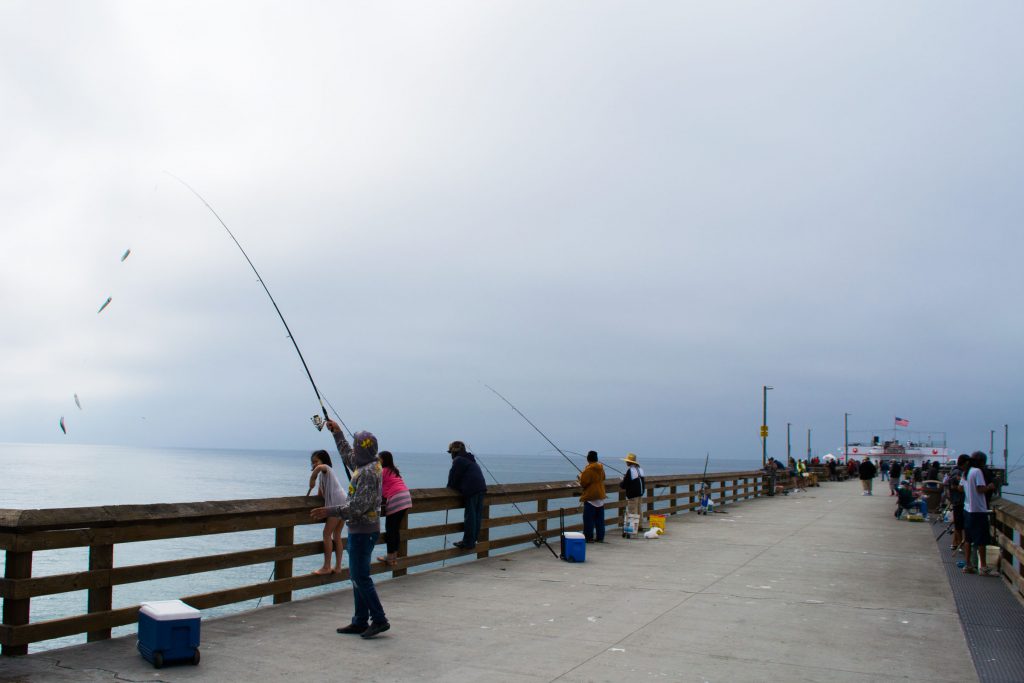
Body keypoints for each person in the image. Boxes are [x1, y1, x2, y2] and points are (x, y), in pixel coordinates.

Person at [310, 421, 390, 639]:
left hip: (364, 530)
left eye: (356, 445)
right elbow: (348, 457)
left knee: (360, 576)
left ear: (362, 449)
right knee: (356, 576)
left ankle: (379, 619)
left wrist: (330, 511)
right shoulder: (367, 463)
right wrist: (337, 433)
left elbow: (357, 507)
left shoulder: (368, 473)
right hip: (361, 529)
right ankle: (360, 621)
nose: (353, 449)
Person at [307, 449, 348, 575]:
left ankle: (326, 566)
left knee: (326, 534)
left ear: (323, 461)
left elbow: (321, 467)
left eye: (316, 461)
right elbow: (321, 495)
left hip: (337, 503)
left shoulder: (327, 469)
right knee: (336, 535)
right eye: (312, 462)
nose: (314, 464)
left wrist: (312, 478)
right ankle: (338, 567)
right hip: (344, 502)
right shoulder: (324, 477)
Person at [962, 451, 998, 576]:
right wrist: (990, 486)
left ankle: (968, 565)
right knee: (981, 540)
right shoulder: (977, 472)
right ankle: (983, 567)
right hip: (978, 510)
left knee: (968, 539)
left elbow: (962, 488)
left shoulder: (966, 472)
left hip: (967, 509)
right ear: (982, 461)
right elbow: (980, 489)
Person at [447, 440, 486, 550]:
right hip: (481, 488)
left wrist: (448, 489)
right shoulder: (470, 459)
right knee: (477, 516)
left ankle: (468, 542)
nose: (451, 456)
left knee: (470, 516)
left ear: (454, 452)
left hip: (472, 489)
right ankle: (472, 540)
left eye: (450, 453)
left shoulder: (458, 460)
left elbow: (453, 479)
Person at [377, 451, 412, 568]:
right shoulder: (393, 470)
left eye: (379, 459)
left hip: (396, 499)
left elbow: (376, 486)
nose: (377, 461)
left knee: (390, 529)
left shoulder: (383, 471)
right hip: (405, 497)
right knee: (395, 529)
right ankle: (394, 557)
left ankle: (390, 557)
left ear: (384, 460)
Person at [578, 450, 606, 543]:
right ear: (596, 459)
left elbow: (583, 483)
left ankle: (588, 537)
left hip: (591, 497)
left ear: (588, 459)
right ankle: (600, 537)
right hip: (600, 496)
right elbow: (603, 478)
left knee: (588, 519)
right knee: (600, 520)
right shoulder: (601, 468)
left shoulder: (588, 469)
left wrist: (580, 476)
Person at [944, 454, 970, 555]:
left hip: (957, 501)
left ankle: (956, 543)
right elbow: (955, 486)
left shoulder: (955, 471)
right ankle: (960, 545)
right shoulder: (957, 472)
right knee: (959, 525)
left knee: (958, 524)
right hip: (958, 501)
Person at [619, 453, 645, 531]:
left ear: (630, 462)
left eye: (627, 461)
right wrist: (626, 477)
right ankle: (640, 526)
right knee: (639, 510)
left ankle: (633, 529)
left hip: (633, 494)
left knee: (632, 511)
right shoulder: (640, 469)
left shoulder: (630, 470)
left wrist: (621, 482)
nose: (626, 462)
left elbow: (624, 485)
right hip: (640, 493)